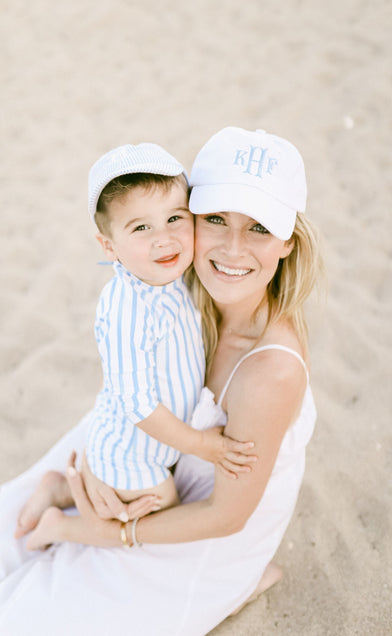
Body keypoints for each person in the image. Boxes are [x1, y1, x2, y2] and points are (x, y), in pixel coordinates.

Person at [0, 127, 324, 636]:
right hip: (160, 457)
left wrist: (118, 532)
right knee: (8, 529)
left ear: (287, 241)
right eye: (215, 219)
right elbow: (135, 386)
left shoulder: (271, 372)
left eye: (259, 227)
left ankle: (233, 584)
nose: (234, 248)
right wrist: (96, 466)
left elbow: (225, 518)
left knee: (25, 620)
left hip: (206, 524)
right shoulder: (184, 291)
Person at [14, 143, 256, 538]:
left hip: (159, 444)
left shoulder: (168, 274)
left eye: (175, 218)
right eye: (141, 227)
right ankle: (58, 528)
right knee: (160, 518)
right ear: (109, 247)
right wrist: (201, 445)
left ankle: (58, 488)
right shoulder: (128, 307)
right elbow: (139, 406)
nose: (163, 239)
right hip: (132, 457)